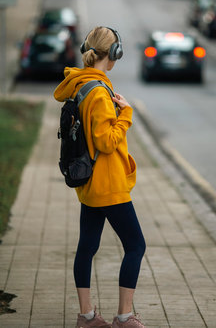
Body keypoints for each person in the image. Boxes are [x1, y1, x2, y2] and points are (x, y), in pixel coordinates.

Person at [54, 26, 146, 328]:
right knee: (136, 246)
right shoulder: (99, 92)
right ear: (114, 54)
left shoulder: (82, 84)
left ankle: (87, 316)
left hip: (90, 183)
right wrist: (127, 114)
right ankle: (124, 317)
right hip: (109, 184)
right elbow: (106, 141)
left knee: (88, 246)